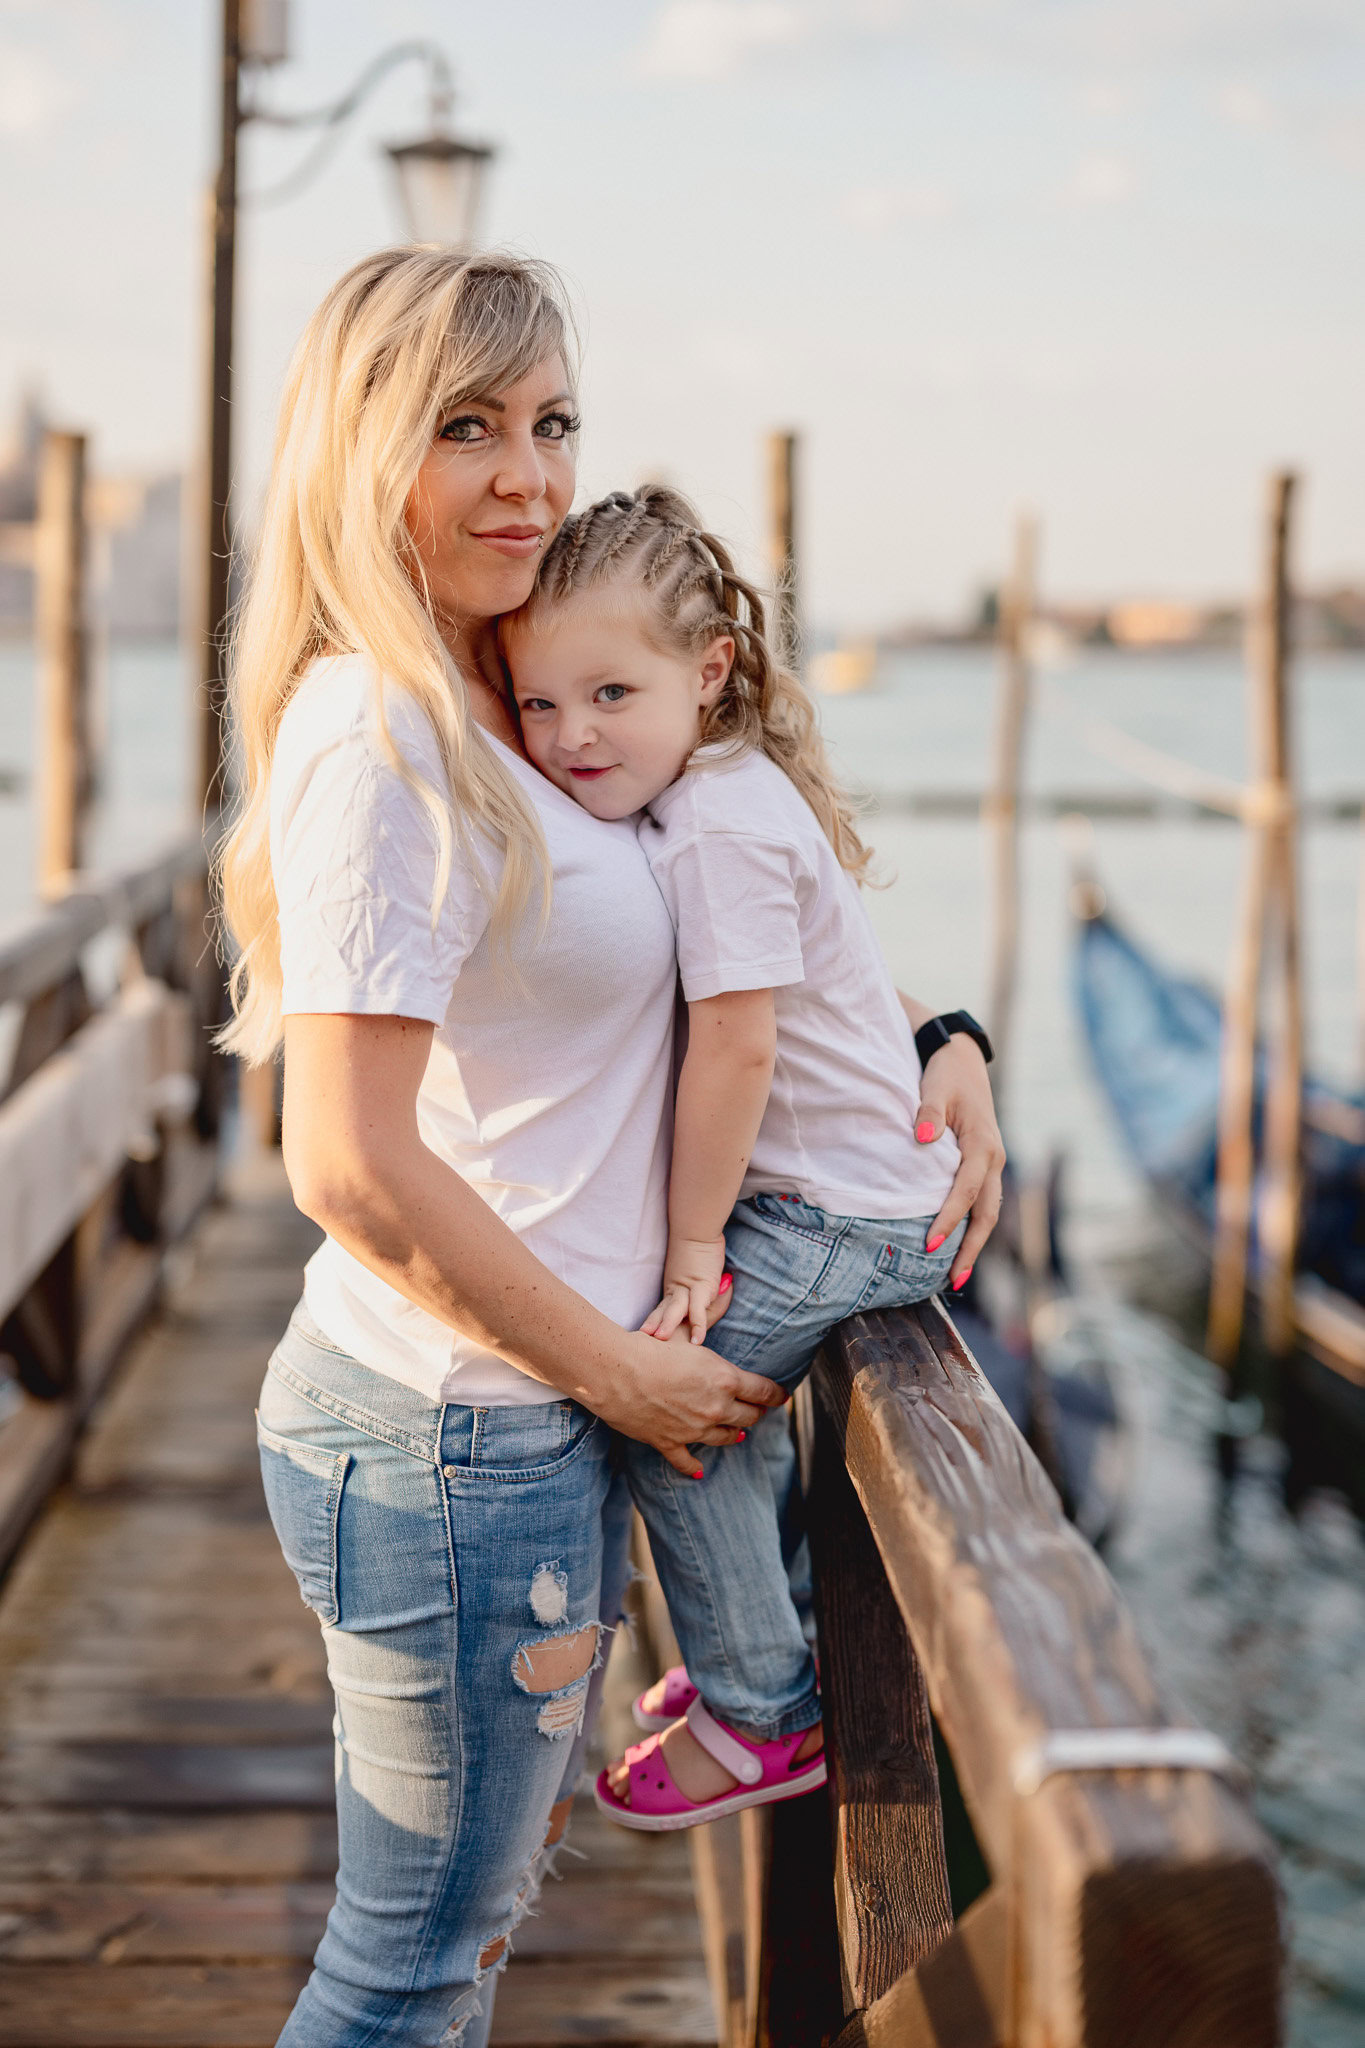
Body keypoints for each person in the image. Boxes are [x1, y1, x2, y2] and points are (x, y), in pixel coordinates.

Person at [219, 245, 1003, 2044]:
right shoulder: (387, 738)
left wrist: (937, 1042)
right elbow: (338, 1158)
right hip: (457, 1432)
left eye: (552, 422)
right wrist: (621, 1376)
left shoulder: (513, 691)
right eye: (465, 427)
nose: (528, 474)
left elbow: (712, 966)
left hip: (492, 1424)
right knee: (413, 1968)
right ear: (355, 452)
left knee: (448, 1948)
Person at [503, 485, 993, 1829]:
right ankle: (753, 1645)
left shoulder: (713, 824)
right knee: (720, 1406)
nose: (568, 736)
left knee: (669, 1409)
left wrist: (692, 1247)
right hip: (853, 1202)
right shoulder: (711, 790)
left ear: (707, 672)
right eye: (538, 706)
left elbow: (737, 1049)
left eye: (609, 693)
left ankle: (762, 1712)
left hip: (840, 1216)